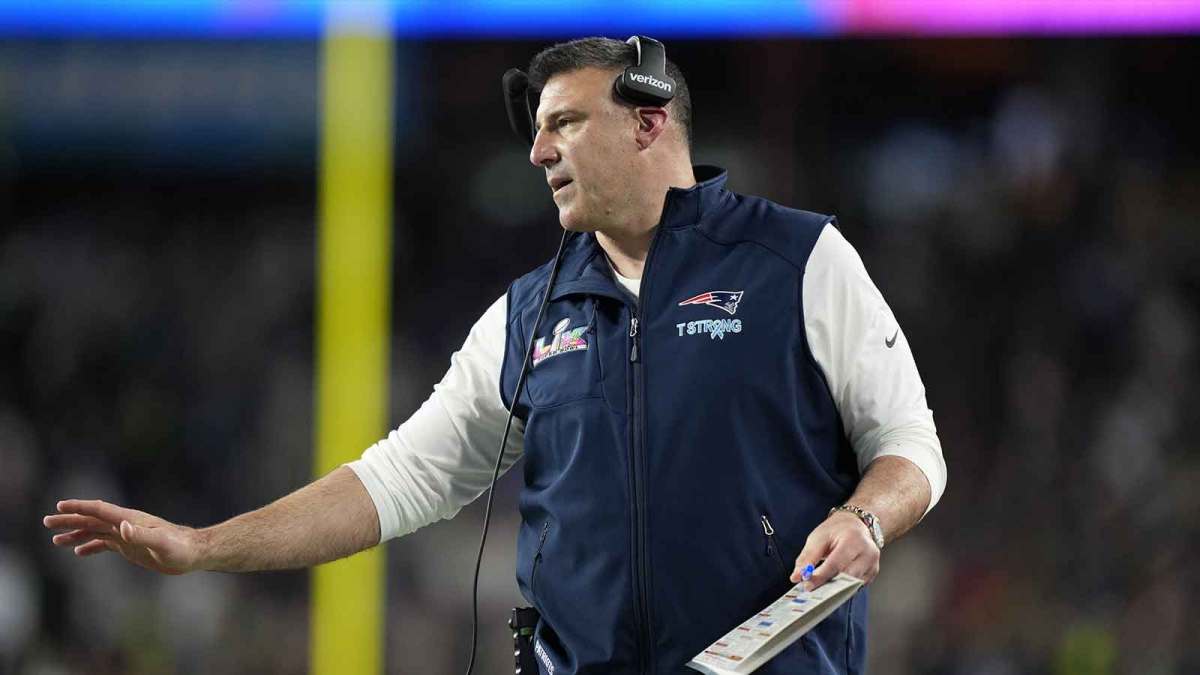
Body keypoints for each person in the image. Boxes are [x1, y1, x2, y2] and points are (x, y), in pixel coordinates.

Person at [43, 37, 946, 674]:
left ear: (649, 120)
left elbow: (911, 446)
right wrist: (203, 546)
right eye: (538, 128)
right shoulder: (528, 314)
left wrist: (866, 522)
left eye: (566, 121)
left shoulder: (797, 261)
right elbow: (398, 480)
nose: (538, 148)